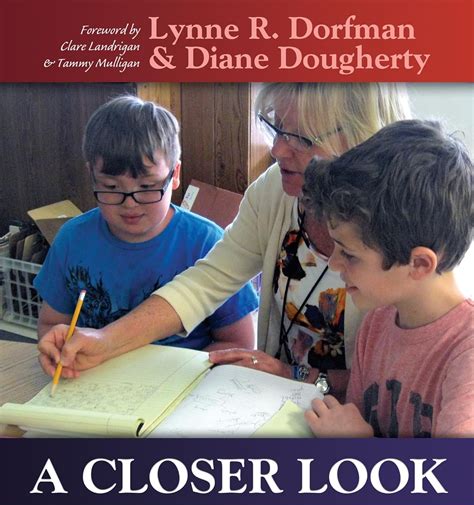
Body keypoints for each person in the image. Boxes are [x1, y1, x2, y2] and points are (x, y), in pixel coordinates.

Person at [38, 83, 411, 391]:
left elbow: (401, 382)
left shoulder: (406, 226)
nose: (277, 149)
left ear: (363, 138)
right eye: (277, 128)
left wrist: (293, 376)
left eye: (301, 138)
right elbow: (206, 282)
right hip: (275, 396)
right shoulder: (275, 190)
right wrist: (104, 342)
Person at [34, 95, 258, 351]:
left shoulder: (207, 242)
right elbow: (51, 325)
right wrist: (56, 350)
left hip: (186, 375)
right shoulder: (72, 239)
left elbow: (239, 343)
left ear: (175, 175)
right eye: (111, 187)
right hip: (96, 372)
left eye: (147, 186)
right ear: (92, 176)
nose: (130, 203)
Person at [302, 119, 473, 438]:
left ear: (419, 264)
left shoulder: (467, 354)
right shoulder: (376, 324)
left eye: (349, 254)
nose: (334, 264)